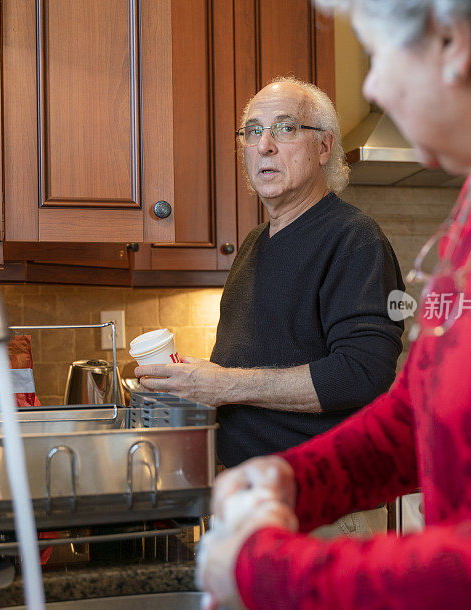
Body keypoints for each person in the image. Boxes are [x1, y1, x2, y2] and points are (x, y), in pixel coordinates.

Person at [196, 0, 471, 608]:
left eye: (377, 52)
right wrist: (297, 480)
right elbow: (418, 414)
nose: (373, 85)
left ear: (451, 41)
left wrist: (271, 569)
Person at [135, 77, 405, 535]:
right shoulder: (255, 243)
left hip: (321, 513)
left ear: (324, 147)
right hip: (254, 504)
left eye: (284, 128)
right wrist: (195, 384)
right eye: (252, 131)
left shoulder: (352, 239)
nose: (264, 146)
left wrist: (225, 386)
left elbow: (362, 375)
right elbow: (250, 368)